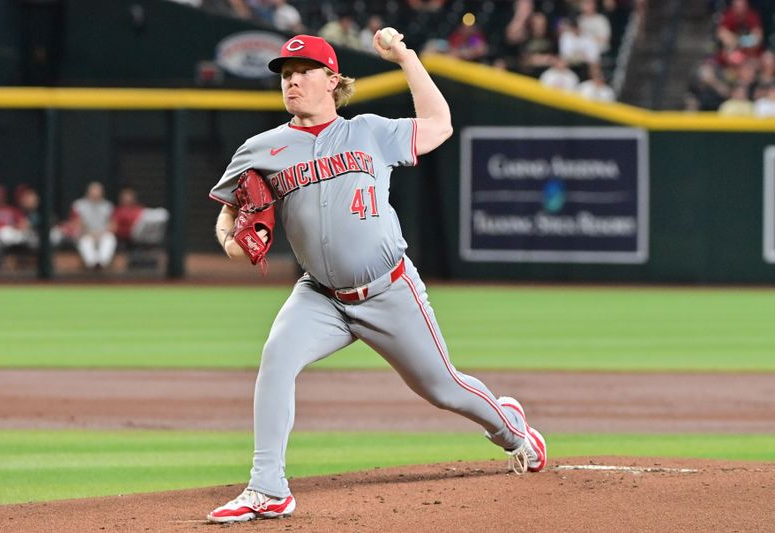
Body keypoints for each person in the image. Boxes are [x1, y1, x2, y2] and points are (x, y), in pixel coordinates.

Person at [206, 33, 547, 524]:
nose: (292, 80)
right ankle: (268, 488)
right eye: (285, 74)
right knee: (276, 361)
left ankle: (513, 431)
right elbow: (228, 212)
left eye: (302, 71)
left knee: (442, 388)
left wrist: (406, 57)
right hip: (319, 296)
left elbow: (439, 125)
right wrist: (230, 241)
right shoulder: (261, 148)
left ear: (332, 80)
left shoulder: (369, 131)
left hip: (389, 290)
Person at [72, 182, 116, 270]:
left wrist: (101, 233)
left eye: (98, 191)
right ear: (88, 192)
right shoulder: (79, 205)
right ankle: (93, 264)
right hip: (86, 234)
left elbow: (113, 225)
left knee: (110, 238)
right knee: (85, 241)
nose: (95, 193)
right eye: (93, 190)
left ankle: (101, 263)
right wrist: (89, 233)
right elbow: (76, 223)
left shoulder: (108, 206)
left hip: (103, 234)